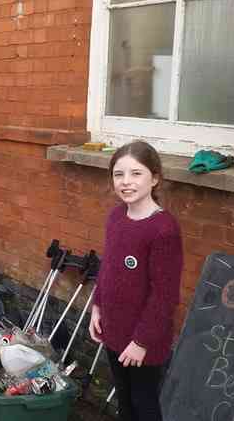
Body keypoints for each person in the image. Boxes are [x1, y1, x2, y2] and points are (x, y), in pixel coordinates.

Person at [89, 141, 182, 421]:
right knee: (125, 402)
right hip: (114, 330)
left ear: (154, 178)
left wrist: (141, 341)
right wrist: (97, 306)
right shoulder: (116, 216)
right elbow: (108, 269)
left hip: (144, 340)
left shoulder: (163, 229)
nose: (126, 182)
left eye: (136, 173)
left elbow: (165, 296)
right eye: (119, 174)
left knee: (144, 405)